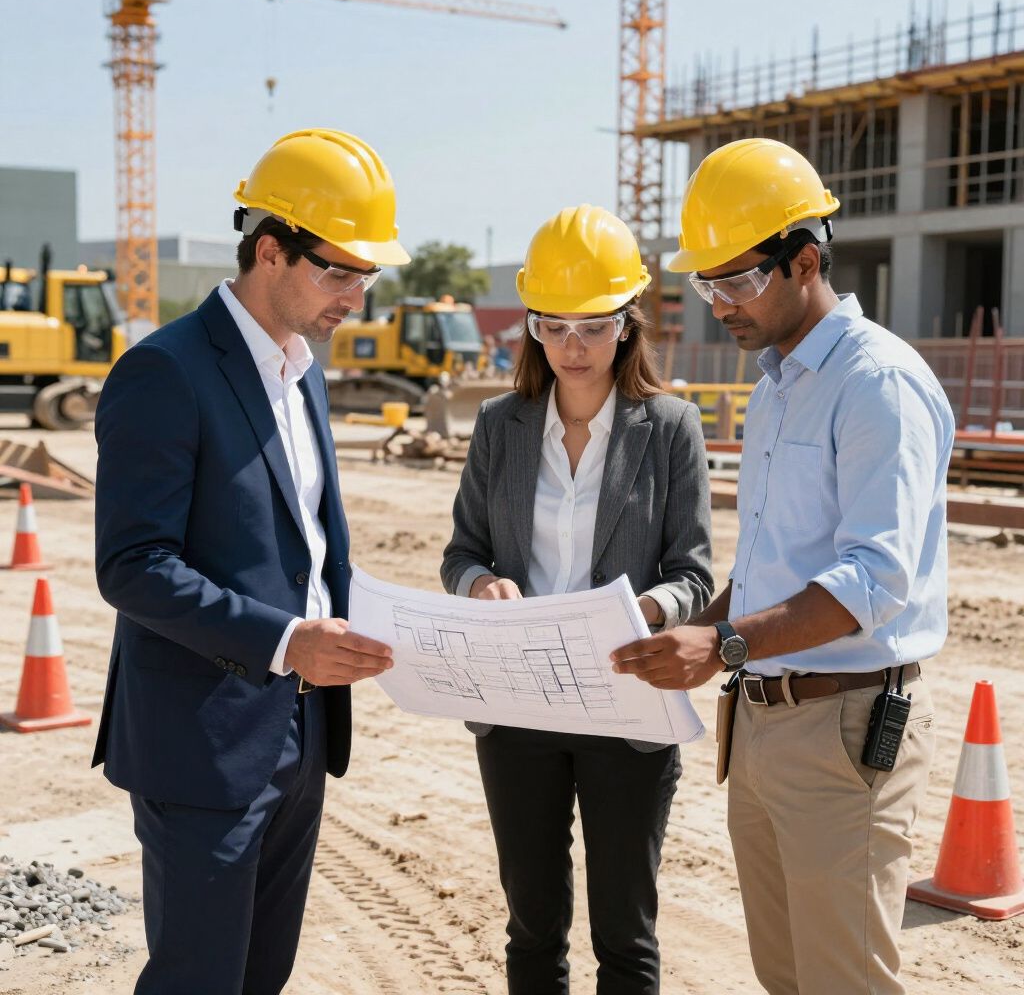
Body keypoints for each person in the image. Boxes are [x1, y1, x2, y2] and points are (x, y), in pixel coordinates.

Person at [611, 138, 955, 995]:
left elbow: (873, 579)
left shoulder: (876, 383)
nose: (719, 304)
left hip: (843, 728)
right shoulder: (776, 385)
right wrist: (691, 631)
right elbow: (770, 571)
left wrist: (722, 646)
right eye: (706, 283)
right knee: (786, 977)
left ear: (805, 261)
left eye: (738, 281)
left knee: (845, 980)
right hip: (761, 720)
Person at [92, 128, 409, 995]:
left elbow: (307, 546)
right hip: (202, 743)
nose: (356, 296)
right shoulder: (165, 371)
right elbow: (132, 565)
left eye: (367, 275)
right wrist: (283, 642)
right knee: (200, 980)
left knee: (261, 978)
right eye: (338, 271)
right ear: (271, 249)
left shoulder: (302, 371)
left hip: (301, 731)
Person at [441, 204, 714, 995]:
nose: (572, 346)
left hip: (626, 702)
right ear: (530, 325)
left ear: (628, 324)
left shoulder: (670, 428)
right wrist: (478, 584)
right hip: (518, 708)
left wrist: (645, 614)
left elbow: (693, 573)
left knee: (624, 934)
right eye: (552, 325)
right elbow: (462, 550)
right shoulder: (499, 425)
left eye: (592, 326)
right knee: (532, 929)